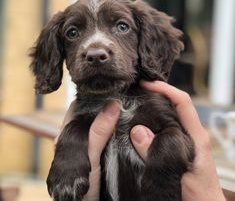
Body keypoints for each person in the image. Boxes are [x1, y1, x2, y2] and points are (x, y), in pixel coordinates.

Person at [55, 81, 226, 201]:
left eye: (123, 27)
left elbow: (174, 137)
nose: (95, 52)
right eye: (73, 34)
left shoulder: (152, 101)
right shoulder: (79, 118)